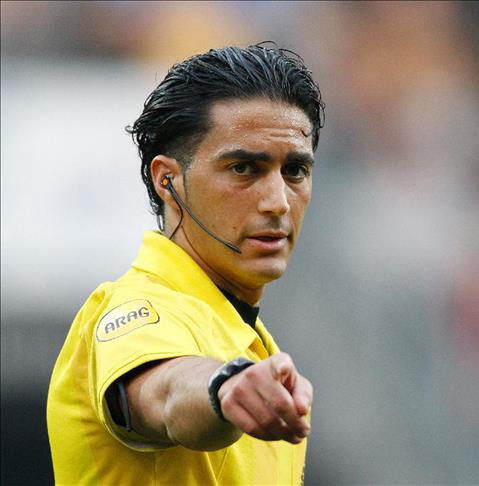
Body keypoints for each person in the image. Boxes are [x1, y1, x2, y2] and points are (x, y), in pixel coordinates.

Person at [47, 43, 324, 485]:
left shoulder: (249, 339)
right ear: (168, 180)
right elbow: (167, 392)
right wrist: (223, 388)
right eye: (243, 168)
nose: (278, 202)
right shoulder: (136, 309)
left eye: (294, 171)